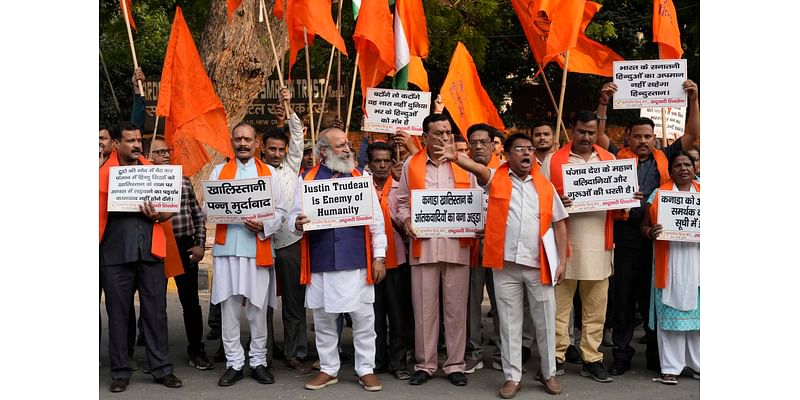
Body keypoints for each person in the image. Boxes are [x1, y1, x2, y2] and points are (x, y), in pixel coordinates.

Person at [435, 132, 569, 398]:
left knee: (544, 321)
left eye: (530, 149)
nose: (527, 153)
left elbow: (560, 223)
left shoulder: (544, 185)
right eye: (520, 149)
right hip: (504, 265)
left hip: (538, 264)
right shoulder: (497, 178)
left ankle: (549, 373)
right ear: (507, 154)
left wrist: (562, 261)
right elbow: (478, 168)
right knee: (508, 323)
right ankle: (512, 377)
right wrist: (456, 157)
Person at [595, 80, 700, 375]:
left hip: (662, 241)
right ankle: (622, 355)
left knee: (654, 300)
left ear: (655, 139)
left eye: (648, 136)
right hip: (626, 238)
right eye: (638, 136)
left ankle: (660, 357)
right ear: (628, 137)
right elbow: (598, 136)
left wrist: (693, 98)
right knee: (624, 300)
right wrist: (603, 102)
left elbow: (693, 134)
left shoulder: (667, 157)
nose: (643, 141)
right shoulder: (616, 156)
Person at [289, 127, 387, 392]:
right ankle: (328, 368)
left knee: (364, 318)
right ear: (323, 152)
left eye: (347, 144)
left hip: (357, 262)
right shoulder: (306, 179)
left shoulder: (361, 177)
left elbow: (377, 223)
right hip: (321, 261)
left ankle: (365, 368)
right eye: (340, 145)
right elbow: (291, 220)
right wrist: (298, 223)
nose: (347, 149)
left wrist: (379, 257)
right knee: (323, 320)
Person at [541, 111, 636, 383]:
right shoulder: (553, 160)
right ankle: (556, 357)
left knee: (595, 310)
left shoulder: (609, 160)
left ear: (597, 133)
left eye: (591, 133)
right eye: (581, 131)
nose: (586, 137)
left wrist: (628, 197)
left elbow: (622, 207)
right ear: (572, 129)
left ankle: (592, 358)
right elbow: (540, 200)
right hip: (562, 250)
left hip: (599, 248)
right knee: (559, 310)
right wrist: (558, 201)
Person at [99, 122, 183, 393]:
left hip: (151, 251)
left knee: (155, 313)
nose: (136, 145)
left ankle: (161, 369)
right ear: (116, 144)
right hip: (114, 253)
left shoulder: (154, 172)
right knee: (118, 314)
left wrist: (160, 215)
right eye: (130, 140)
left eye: (138, 140)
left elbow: (170, 210)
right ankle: (120, 371)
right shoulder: (102, 173)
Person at [396, 113, 478, 387]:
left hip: (458, 247)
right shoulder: (412, 163)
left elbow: (479, 201)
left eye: (448, 132)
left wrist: (479, 222)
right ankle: (425, 364)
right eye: (439, 133)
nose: (445, 137)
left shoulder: (465, 164)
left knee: (456, 311)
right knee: (424, 310)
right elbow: (402, 201)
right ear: (425, 137)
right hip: (424, 248)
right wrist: (406, 220)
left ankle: (455, 364)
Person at [209, 123, 287, 387]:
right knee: (228, 310)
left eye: (247, 139)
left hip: (257, 248)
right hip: (227, 250)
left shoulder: (270, 175)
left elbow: (282, 212)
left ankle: (258, 361)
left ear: (256, 143)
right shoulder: (219, 171)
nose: (242, 143)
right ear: (232, 141)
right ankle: (233, 363)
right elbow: (209, 208)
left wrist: (264, 225)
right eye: (238, 139)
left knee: (257, 310)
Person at [148, 138, 213, 370]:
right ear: (150, 156)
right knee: (153, 303)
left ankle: (196, 349)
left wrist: (199, 244)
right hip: (154, 246)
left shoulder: (183, 181)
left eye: (168, 151)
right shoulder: (142, 184)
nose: (165, 155)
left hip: (184, 245)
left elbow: (197, 215)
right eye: (160, 152)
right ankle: (154, 354)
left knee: (191, 302)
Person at [261, 89, 312, 374]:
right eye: (273, 149)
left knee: (295, 302)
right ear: (263, 149)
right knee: (264, 301)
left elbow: (298, 136)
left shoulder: (292, 167)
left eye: (282, 149)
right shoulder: (254, 171)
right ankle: (264, 353)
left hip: (291, 240)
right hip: (262, 241)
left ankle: (295, 352)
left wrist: (288, 105)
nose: (278, 154)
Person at [640, 151, 700, 385]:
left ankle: (699, 365)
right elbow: (644, 227)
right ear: (671, 170)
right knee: (670, 318)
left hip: (698, 261)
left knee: (700, 321)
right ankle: (670, 367)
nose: (683, 168)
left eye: (688, 164)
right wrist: (650, 232)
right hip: (670, 261)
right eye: (678, 165)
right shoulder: (658, 195)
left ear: (695, 166)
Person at [367, 141, 414, 380]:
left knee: (398, 315)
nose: (383, 165)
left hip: (398, 260)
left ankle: (398, 362)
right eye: (378, 161)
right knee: (373, 315)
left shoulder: (400, 189)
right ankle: (376, 360)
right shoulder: (360, 189)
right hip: (370, 261)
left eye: (387, 161)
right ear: (369, 163)